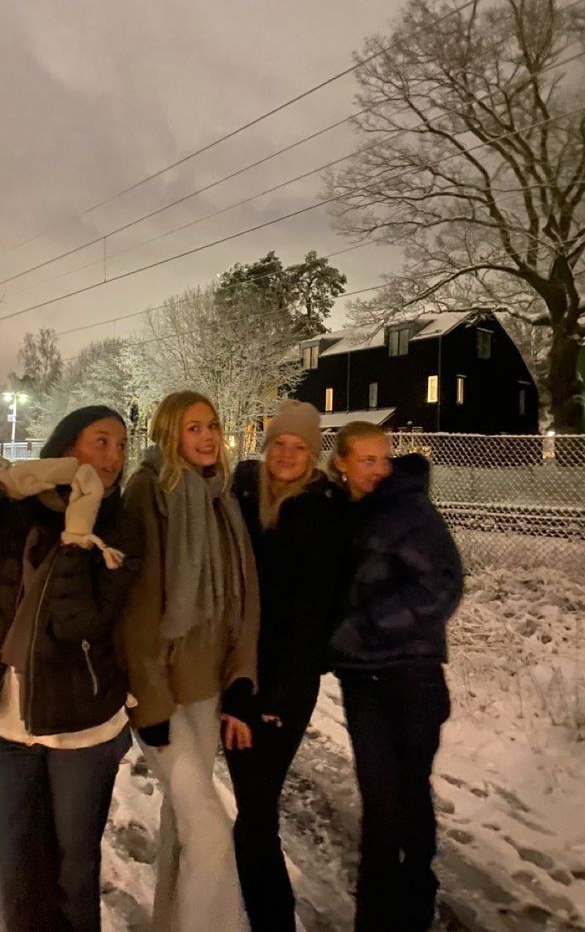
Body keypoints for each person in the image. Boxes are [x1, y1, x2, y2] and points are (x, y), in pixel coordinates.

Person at [0, 405, 143, 932]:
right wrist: (6, 486)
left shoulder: (119, 528)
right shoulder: (22, 511)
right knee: (19, 868)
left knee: (73, 874)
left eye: (121, 446)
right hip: (11, 722)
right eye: (101, 442)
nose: (113, 457)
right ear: (67, 449)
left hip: (81, 726)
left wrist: (78, 534)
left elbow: (79, 624)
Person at [119, 390, 259, 932]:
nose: (206, 437)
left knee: (184, 825)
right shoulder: (149, 491)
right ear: (169, 433)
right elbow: (138, 607)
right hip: (164, 695)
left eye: (212, 426)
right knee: (211, 832)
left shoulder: (221, 498)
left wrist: (241, 677)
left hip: (205, 689)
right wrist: (150, 701)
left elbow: (245, 598)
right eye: (192, 427)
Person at [328, 421, 463, 932]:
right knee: (381, 802)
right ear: (341, 462)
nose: (380, 469)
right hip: (363, 681)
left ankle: (413, 904)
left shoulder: (409, 509)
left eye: (383, 459)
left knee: (407, 795)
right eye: (367, 460)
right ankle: (377, 915)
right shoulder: (341, 511)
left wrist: (365, 625)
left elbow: (443, 585)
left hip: (412, 676)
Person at [227, 399, 344, 932]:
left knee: (255, 818)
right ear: (266, 446)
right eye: (280, 444)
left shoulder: (323, 510)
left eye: (300, 446)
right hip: (234, 676)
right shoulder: (242, 495)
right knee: (254, 815)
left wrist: (274, 698)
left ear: (313, 453)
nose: (288, 454)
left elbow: (312, 618)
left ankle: (270, 921)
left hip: (279, 690)